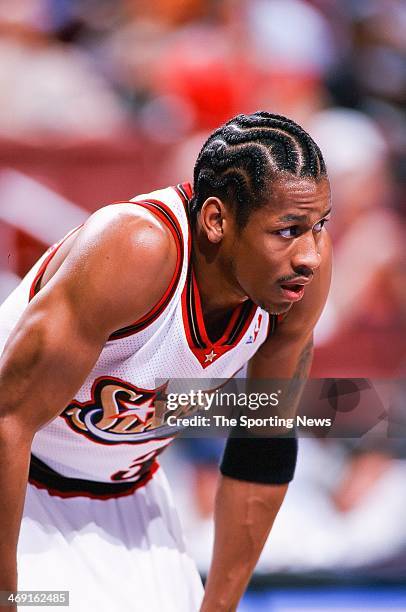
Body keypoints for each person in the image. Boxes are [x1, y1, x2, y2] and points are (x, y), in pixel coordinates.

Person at [0, 111, 332, 611]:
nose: (310, 255)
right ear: (217, 220)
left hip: (130, 493)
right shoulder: (134, 251)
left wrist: (218, 606)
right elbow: (7, 423)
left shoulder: (296, 288)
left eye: (320, 226)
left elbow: (261, 452)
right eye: (288, 230)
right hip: (18, 483)